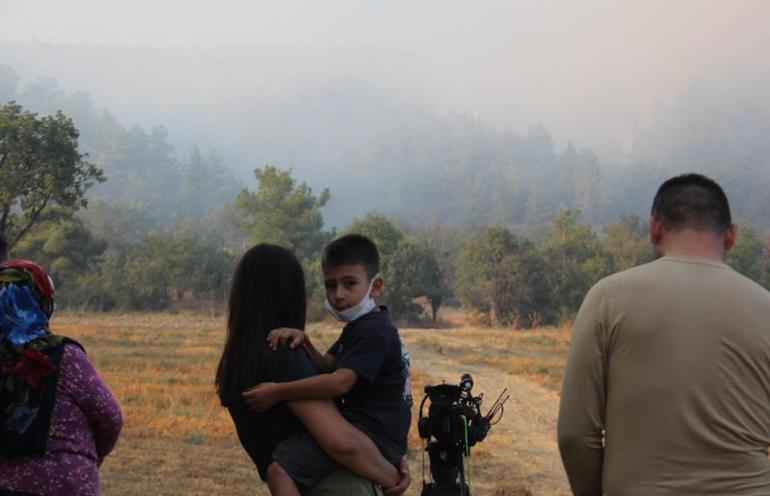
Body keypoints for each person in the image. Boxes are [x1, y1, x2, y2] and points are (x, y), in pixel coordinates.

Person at [557, 173, 770, 495]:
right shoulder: (764, 307)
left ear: (655, 228)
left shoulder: (609, 298)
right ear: (731, 235)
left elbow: (575, 434)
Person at [216, 243, 410, 496]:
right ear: (291, 294)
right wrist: (391, 475)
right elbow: (343, 443)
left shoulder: (239, 360)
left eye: (349, 284)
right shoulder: (284, 355)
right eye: (331, 285)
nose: (338, 295)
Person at [0, 259, 123, 496]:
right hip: (63, 482)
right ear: (41, 302)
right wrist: (92, 455)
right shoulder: (65, 356)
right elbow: (110, 417)